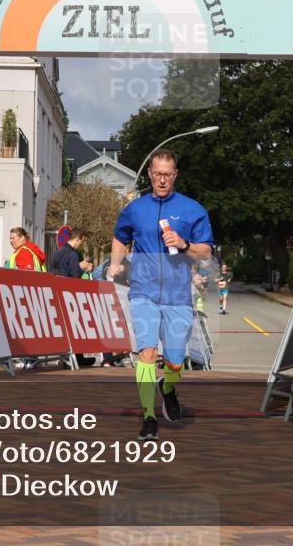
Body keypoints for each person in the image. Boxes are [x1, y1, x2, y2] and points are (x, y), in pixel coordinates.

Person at [108, 148, 214, 441]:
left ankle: (168, 387)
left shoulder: (193, 209)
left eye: (168, 174)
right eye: (157, 174)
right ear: (150, 174)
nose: (162, 179)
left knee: (176, 362)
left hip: (178, 295)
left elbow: (205, 252)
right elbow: (120, 237)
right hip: (143, 290)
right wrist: (116, 262)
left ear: (175, 175)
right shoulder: (135, 208)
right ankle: (149, 417)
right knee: (146, 354)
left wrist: (183, 244)